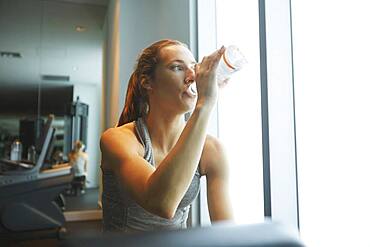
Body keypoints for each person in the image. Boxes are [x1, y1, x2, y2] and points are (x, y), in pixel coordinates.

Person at [100, 39, 233, 233]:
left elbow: (228, 233)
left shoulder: (211, 150)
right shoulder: (118, 140)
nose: (192, 77)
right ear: (147, 82)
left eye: (194, 68)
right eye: (177, 68)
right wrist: (204, 105)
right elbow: (161, 204)